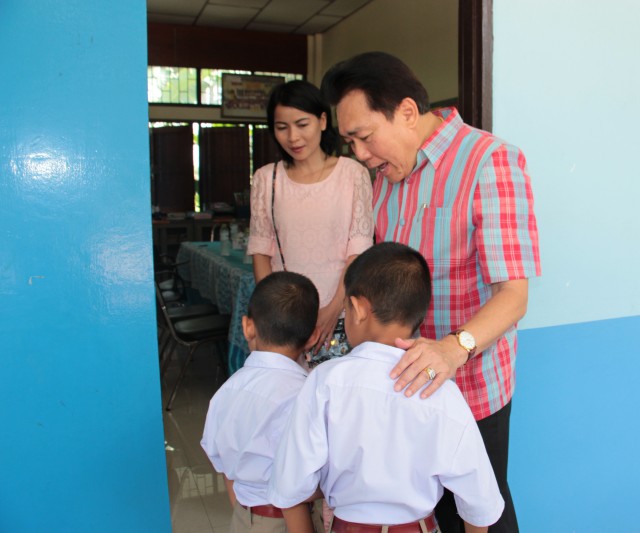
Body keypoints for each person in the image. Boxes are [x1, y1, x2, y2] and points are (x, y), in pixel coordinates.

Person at [321, 52, 541, 533]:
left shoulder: (488, 161)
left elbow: (513, 294)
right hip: (407, 384)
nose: (360, 154)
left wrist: (453, 349)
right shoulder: (386, 178)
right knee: (431, 510)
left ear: (405, 111)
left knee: (482, 512)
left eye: (364, 136)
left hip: (471, 383)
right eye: (350, 142)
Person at [270, 242, 504, 533]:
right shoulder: (442, 391)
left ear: (358, 309)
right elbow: (480, 502)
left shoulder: (324, 382)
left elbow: (290, 484)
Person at [247, 79, 374, 367]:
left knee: (334, 390)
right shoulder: (267, 179)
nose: (293, 137)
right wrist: (275, 314)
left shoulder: (352, 174)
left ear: (323, 121)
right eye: (282, 127)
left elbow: (359, 251)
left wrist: (333, 308)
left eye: (302, 124)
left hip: (342, 314)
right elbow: (261, 251)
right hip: (286, 321)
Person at [201, 271, 325, 533]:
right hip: (288, 522)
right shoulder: (306, 396)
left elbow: (226, 469)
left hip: (243, 517)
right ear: (313, 336)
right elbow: (293, 491)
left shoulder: (226, 391)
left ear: (248, 327)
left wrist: (247, 517)